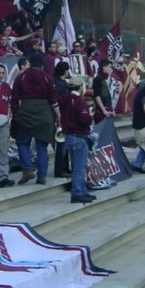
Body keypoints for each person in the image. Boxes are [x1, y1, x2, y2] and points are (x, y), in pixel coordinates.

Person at [11, 52, 59, 185]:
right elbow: (53, 100)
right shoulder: (47, 78)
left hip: (25, 113)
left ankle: (27, 169)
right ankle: (42, 176)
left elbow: (14, 98)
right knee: (42, 146)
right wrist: (58, 115)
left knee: (22, 143)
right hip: (44, 114)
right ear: (42, 64)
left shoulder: (21, 78)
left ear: (30, 62)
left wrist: (16, 113)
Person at [58, 75, 97, 204]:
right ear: (80, 87)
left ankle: (82, 191)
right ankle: (78, 192)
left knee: (76, 166)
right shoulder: (79, 101)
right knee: (79, 167)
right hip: (78, 136)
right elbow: (85, 120)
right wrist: (90, 115)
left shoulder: (65, 99)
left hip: (68, 135)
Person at [53, 61, 72, 179]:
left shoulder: (58, 82)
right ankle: (60, 169)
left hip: (62, 117)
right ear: (65, 71)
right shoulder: (59, 85)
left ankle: (64, 167)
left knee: (63, 144)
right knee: (61, 144)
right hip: (60, 118)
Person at [91, 59, 116, 123]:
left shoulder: (103, 79)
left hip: (108, 111)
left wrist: (111, 109)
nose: (111, 69)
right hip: (102, 113)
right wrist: (103, 110)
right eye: (110, 67)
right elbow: (97, 96)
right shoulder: (97, 79)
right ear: (104, 67)